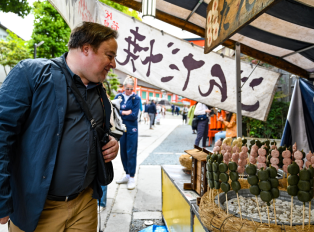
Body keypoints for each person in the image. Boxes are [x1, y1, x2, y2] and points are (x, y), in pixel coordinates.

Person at [0, 22, 119, 231]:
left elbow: (100, 132)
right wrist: (1, 199)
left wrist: (110, 143)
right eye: (109, 55)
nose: (114, 64)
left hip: (85, 203)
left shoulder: (99, 90)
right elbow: (2, 134)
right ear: (86, 48)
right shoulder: (31, 73)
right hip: (37, 208)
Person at [115, 76, 140, 190]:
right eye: (128, 88)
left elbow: (134, 115)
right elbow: (114, 111)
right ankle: (126, 174)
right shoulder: (118, 97)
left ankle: (132, 176)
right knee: (123, 151)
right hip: (121, 128)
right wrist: (125, 112)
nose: (130, 91)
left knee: (131, 151)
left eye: (131, 88)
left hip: (132, 128)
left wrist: (123, 113)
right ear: (124, 87)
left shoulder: (136, 98)